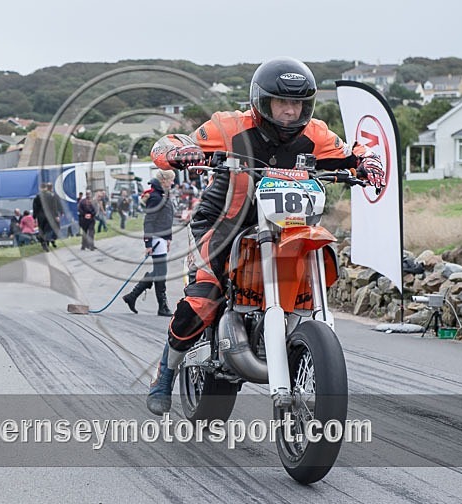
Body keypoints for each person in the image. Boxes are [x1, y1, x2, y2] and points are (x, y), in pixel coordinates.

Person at [144, 57, 386, 415]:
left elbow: (352, 151)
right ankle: (165, 373)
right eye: (282, 102)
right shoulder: (228, 127)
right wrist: (180, 151)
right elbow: (167, 144)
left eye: (298, 104)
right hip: (226, 223)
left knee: (311, 262)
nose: (290, 111)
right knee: (203, 299)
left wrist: (368, 163)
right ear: (262, 101)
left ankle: (308, 341)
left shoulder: (315, 134)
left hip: (288, 227)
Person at [122, 170, 176, 317]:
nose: (173, 183)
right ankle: (162, 306)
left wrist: (168, 238)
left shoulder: (162, 195)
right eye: (171, 180)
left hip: (162, 239)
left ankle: (133, 296)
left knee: (159, 273)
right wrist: (148, 244)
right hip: (156, 239)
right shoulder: (155, 197)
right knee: (161, 273)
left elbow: (166, 218)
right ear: (164, 180)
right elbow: (149, 221)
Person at [32, 182, 63, 252]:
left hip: (40, 216)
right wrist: (56, 215)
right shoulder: (51, 196)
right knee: (48, 230)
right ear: (46, 188)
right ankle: (47, 242)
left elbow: (35, 208)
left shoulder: (37, 197)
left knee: (42, 230)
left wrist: (34, 217)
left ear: (40, 188)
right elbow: (54, 206)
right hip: (49, 215)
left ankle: (44, 243)